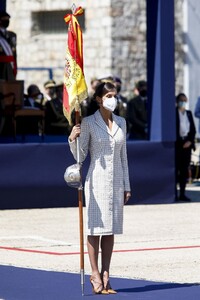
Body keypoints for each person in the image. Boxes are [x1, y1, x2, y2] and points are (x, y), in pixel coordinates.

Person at [68, 82, 131, 294]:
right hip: (96, 182)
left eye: (115, 95)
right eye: (109, 95)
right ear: (99, 99)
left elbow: (124, 157)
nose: (112, 99)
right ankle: (94, 273)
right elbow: (80, 156)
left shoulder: (121, 122)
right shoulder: (88, 123)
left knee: (111, 230)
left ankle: (106, 273)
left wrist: (126, 185)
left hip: (117, 182)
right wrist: (72, 139)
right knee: (95, 228)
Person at [175, 93, 196, 201]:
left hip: (187, 145)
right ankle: (174, 193)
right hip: (178, 145)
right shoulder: (174, 113)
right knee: (176, 170)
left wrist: (190, 141)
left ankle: (182, 193)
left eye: (185, 100)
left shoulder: (188, 113)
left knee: (184, 170)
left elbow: (193, 129)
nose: (183, 102)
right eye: (181, 100)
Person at [0, 11, 17, 80]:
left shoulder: (12, 35)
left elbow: (14, 54)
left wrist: (15, 67)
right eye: (5, 19)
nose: (7, 21)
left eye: (8, 19)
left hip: (10, 67)